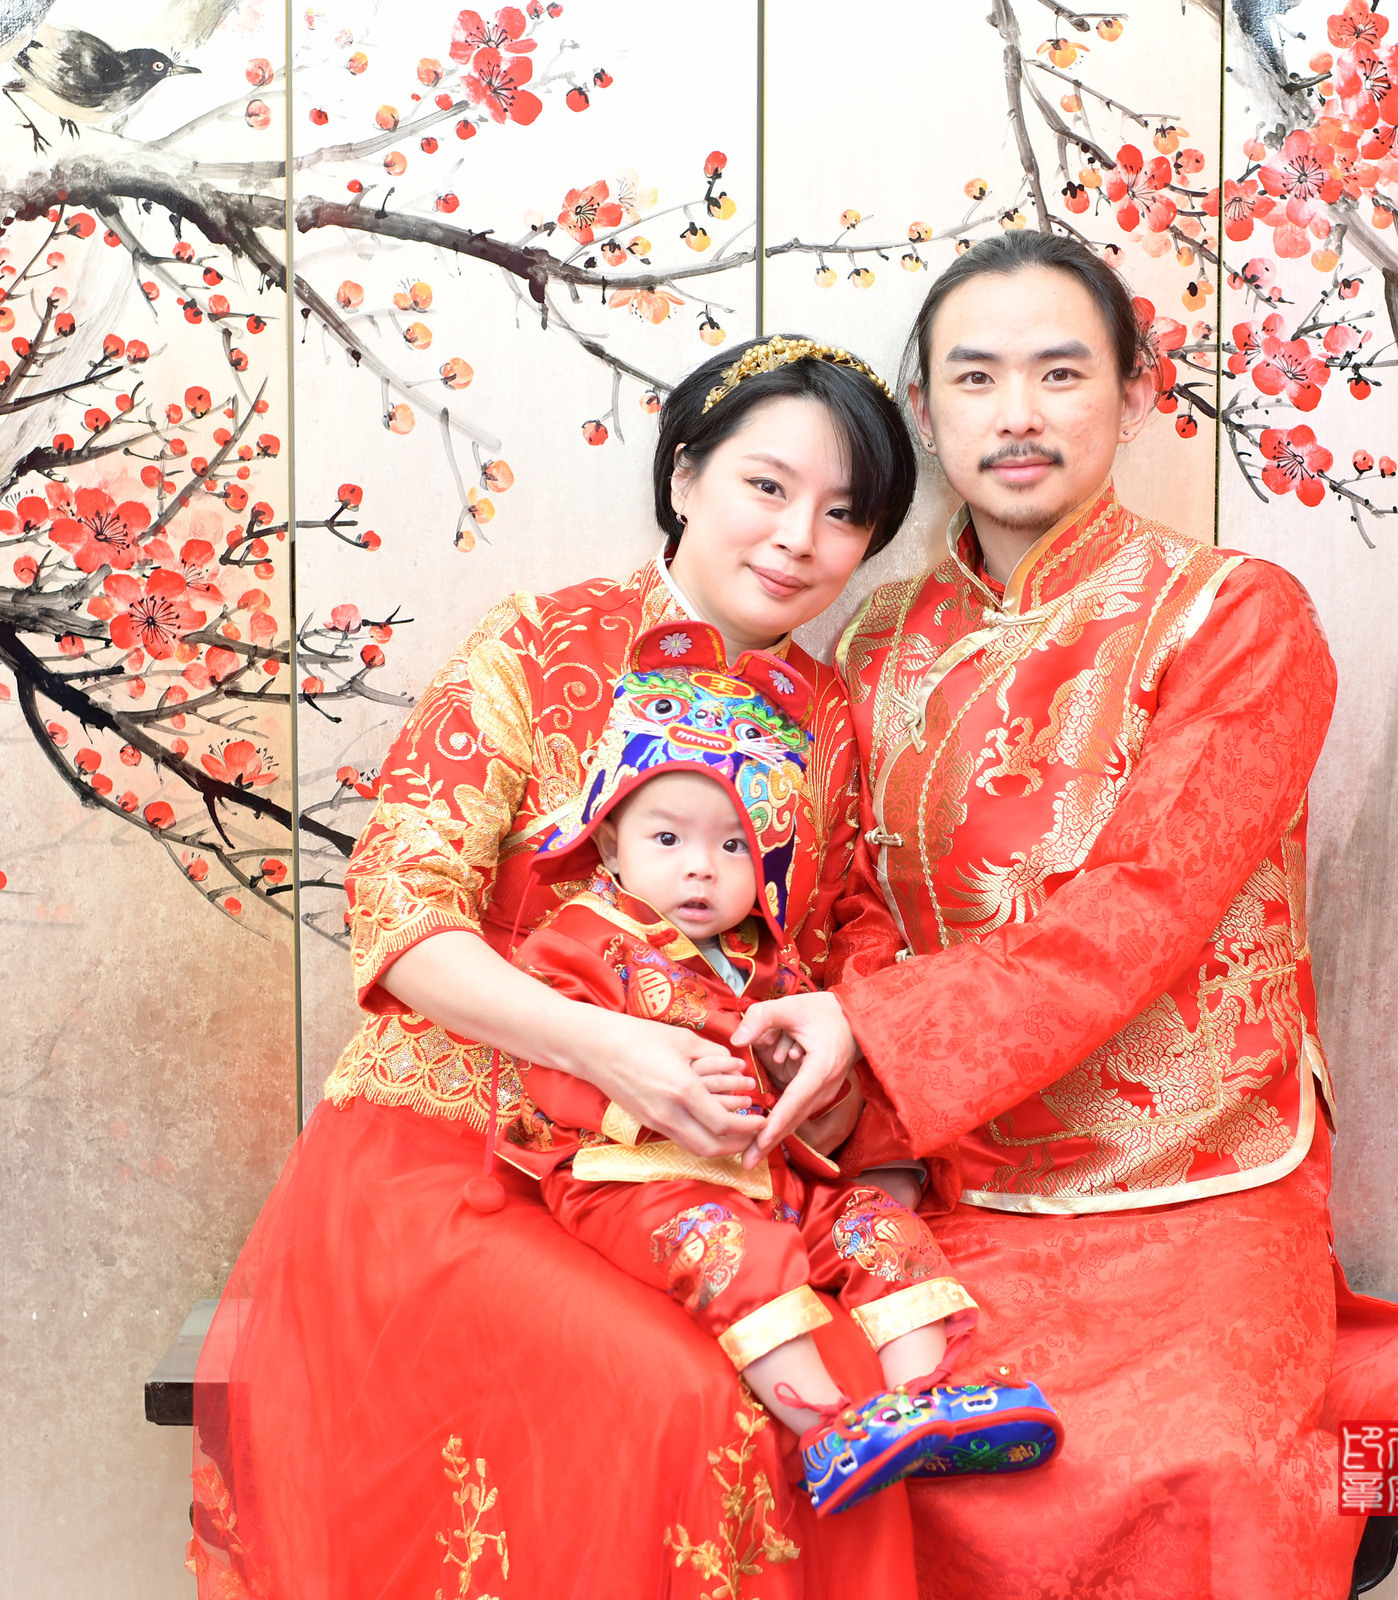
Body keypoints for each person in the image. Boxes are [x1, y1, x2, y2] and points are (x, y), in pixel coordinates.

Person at [735, 232, 1398, 1599]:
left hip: (1195, 1182)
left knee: (1212, 1471)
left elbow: (1148, 901)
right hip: (945, 1185)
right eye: (975, 377)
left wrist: (874, 1033)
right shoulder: (869, 643)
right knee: (832, 1453)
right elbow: (849, 898)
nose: (1019, 413)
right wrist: (853, 1069)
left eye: (1061, 373)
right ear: (925, 409)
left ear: (1134, 392)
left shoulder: (1235, 616)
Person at [189, 336, 931, 1600]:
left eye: (844, 513)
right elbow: (400, 911)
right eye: (766, 486)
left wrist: (838, 1051)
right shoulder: (540, 645)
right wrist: (606, 1044)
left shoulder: (829, 714)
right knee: (687, 1397)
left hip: (700, 1177)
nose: (798, 537)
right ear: (684, 475)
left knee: (850, 1393)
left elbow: (842, 943)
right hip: (460, 1154)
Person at [499, 620, 1062, 1514]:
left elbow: (816, 1103)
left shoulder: (769, 960)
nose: (701, 870)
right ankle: (824, 1426)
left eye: (733, 847)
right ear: (609, 844)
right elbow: (542, 1065)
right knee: (737, 1253)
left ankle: (923, 1405)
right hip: (636, 1179)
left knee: (877, 1222)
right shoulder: (576, 943)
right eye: (668, 840)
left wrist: (809, 1078)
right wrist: (635, 1095)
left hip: (775, 1174)